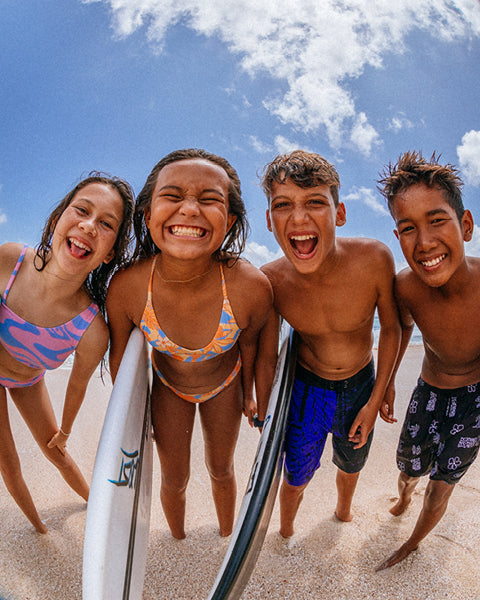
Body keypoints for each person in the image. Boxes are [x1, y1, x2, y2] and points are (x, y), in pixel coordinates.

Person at [106, 149, 272, 539]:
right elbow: (122, 361)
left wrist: (249, 394)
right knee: (174, 476)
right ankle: (177, 538)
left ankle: (228, 537)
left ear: (229, 221)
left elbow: (252, 347)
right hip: (169, 389)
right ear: (148, 215)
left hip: (224, 385)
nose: (190, 209)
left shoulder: (248, 287)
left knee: (221, 468)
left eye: (210, 199)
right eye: (173, 195)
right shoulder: (128, 288)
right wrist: (135, 416)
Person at [259, 149, 401, 538]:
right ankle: (286, 531)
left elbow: (392, 328)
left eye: (315, 203)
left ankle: (342, 511)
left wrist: (377, 397)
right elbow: (267, 356)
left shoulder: (373, 259)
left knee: (351, 463)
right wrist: (264, 411)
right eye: (283, 205)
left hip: (360, 383)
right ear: (270, 221)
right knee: (296, 473)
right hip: (309, 388)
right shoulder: (271, 281)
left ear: (339, 214)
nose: (300, 217)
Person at [0, 173, 135, 533]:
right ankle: (40, 530)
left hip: (28, 380)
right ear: (58, 218)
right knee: (8, 461)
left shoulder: (92, 330)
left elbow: (78, 386)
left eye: (106, 224)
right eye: (82, 210)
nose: (89, 226)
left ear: (109, 254)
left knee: (54, 452)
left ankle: (97, 509)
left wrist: (65, 431)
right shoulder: (10, 261)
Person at [376, 151, 480, 570]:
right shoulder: (405, 286)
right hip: (430, 391)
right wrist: (385, 384)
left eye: (437, 220)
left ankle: (413, 543)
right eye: (407, 228)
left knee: (443, 482)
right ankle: (404, 495)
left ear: (465, 226)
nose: (424, 242)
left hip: (475, 399)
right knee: (409, 466)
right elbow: (399, 330)